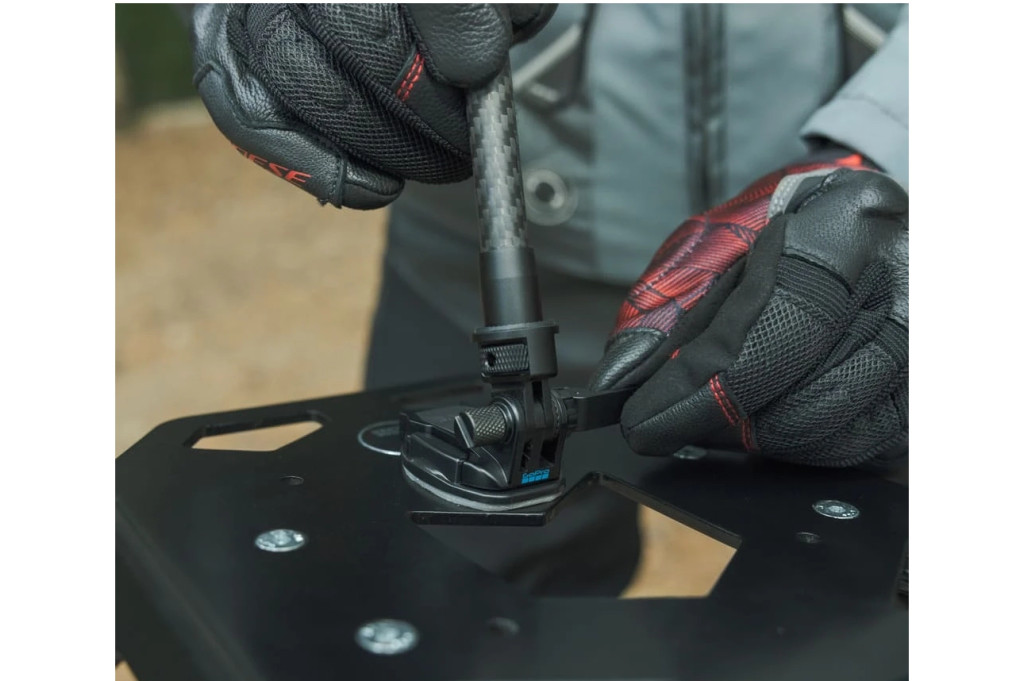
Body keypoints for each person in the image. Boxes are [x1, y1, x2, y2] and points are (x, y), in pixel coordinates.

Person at [188, 4, 908, 595]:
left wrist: (899, 144)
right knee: (436, 625)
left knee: (850, 651)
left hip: (846, 281)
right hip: (462, 271)